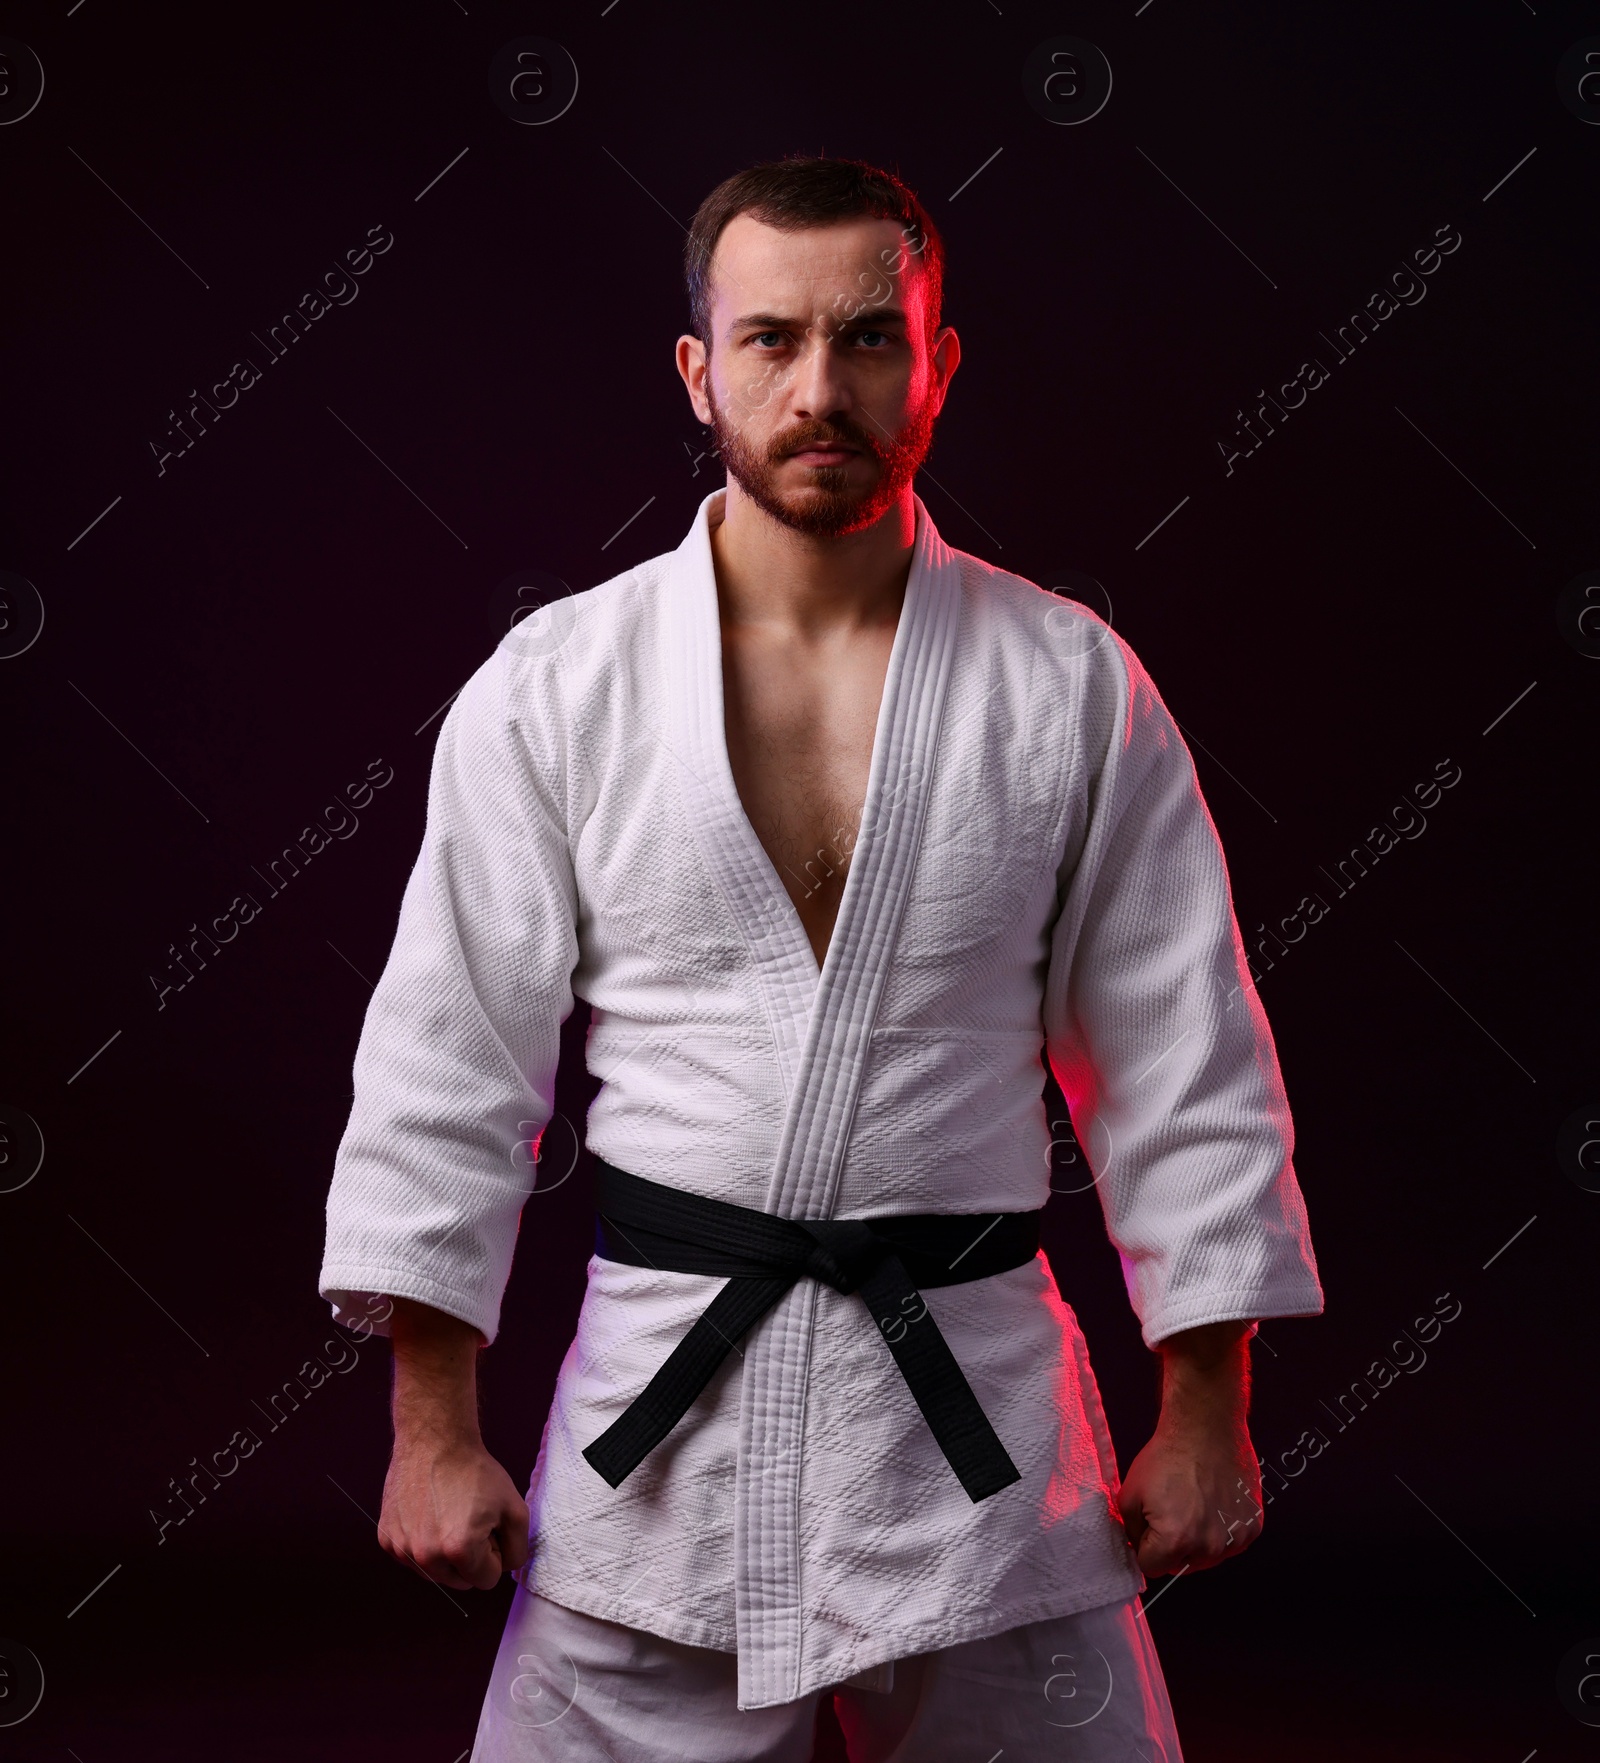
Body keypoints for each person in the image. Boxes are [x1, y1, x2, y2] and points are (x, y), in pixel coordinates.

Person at [318, 155, 1324, 1760]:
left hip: (989, 1461)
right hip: (656, 1458)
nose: (818, 386)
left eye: (869, 337)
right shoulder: (558, 686)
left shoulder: (1067, 681)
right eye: (771, 339)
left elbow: (1179, 1062)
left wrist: (1207, 1412)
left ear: (938, 361)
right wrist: (429, 1433)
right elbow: (450, 1067)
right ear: (698, 369)